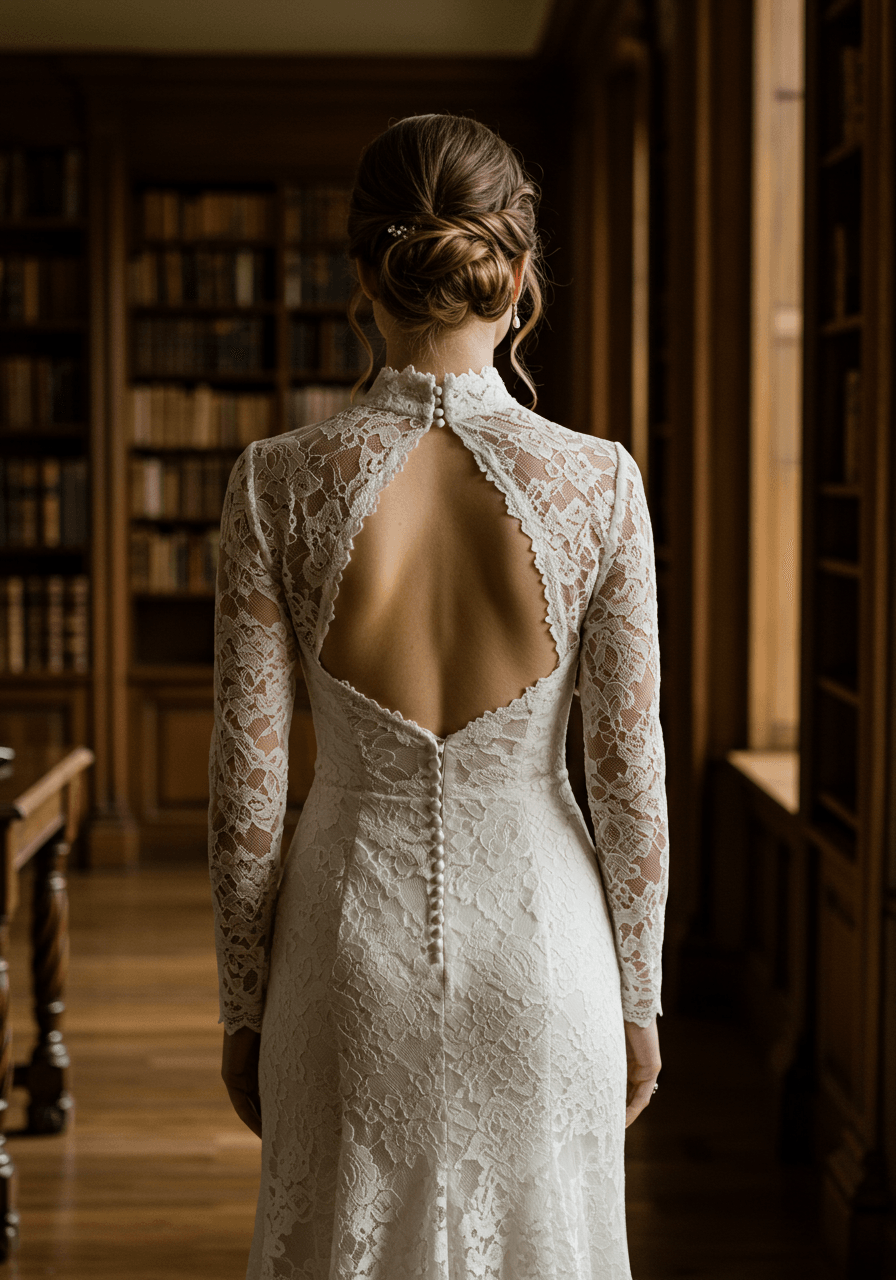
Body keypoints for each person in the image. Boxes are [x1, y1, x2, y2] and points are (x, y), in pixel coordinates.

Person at [208, 112, 668, 1280]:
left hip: (343, 955)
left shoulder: (274, 483)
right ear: (517, 274)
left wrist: (243, 1000)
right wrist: (639, 991)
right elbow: (628, 778)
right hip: (545, 950)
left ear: (359, 275)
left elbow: (246, 790)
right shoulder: (600, 484)